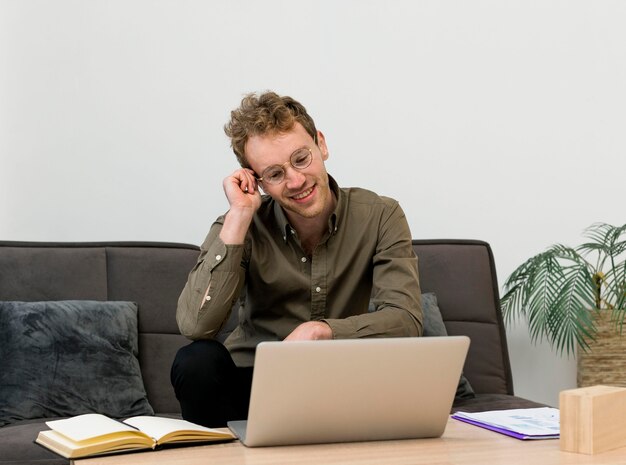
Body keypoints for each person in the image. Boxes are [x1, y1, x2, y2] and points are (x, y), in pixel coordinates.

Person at [171, 91, 423, 427]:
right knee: (195, 361)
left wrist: (322, 332)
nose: (296, 180)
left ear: (321, 144)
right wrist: (240, 215)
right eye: (274, 174)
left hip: (344, 383)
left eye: (301, 159)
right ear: (255, 180)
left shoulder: (381, 215)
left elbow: (405, 320)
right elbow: (195, 326)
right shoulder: (240, 224)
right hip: (252, 385)